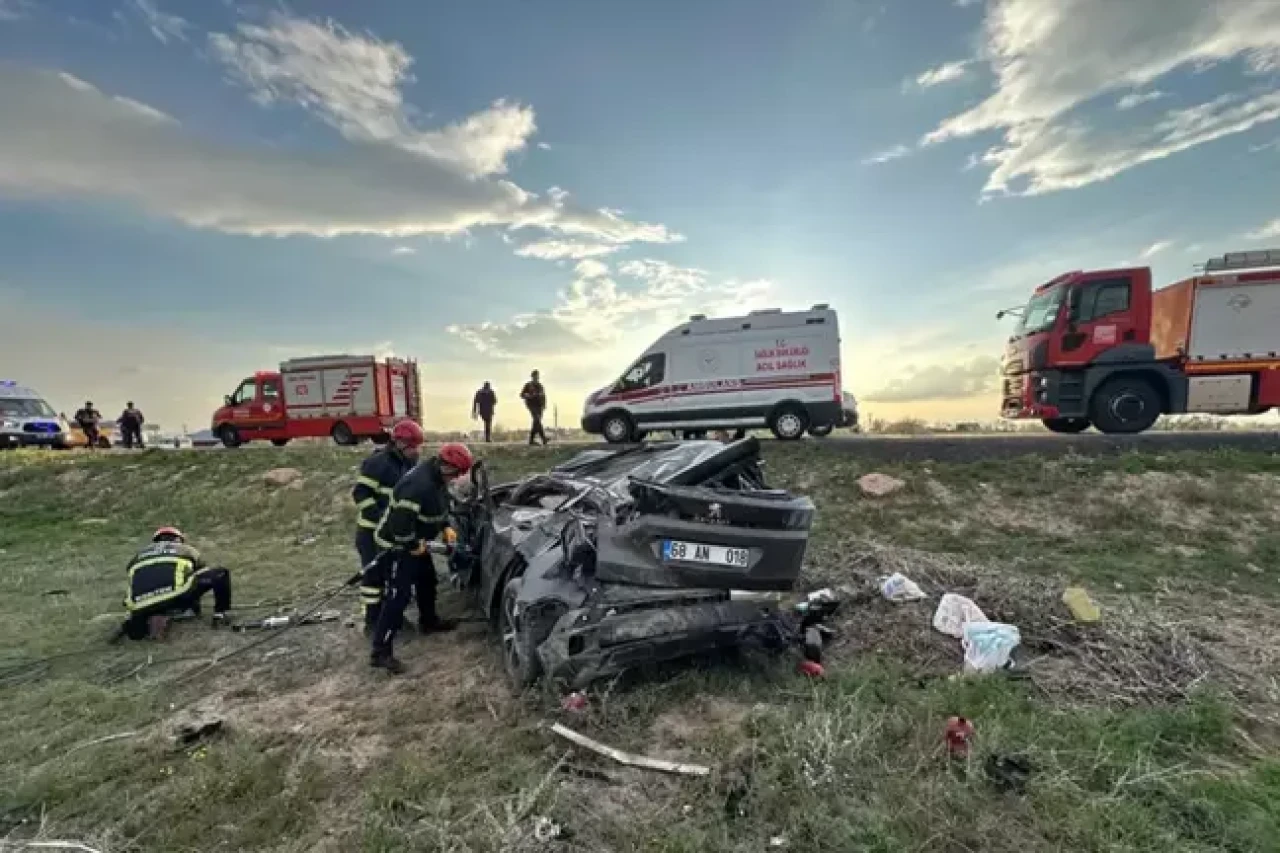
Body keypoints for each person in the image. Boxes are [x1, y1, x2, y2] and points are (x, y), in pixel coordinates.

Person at [369, 442, 473, 673]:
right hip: (395, 546)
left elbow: (440, 501)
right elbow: (400, 524)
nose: (455, 478)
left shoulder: (436, 477)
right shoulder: (417, 485)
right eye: (455, 473)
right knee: (399, 596)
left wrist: (445, 526)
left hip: (417, 542)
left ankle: (429, 621)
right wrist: (411, 544)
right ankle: (380, 651)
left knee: (427, 580)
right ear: (445, 465)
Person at [352, 419, 423, 633]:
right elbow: (360, 493)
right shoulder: (377, 463)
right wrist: (379, 517)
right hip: (370, 531)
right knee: (373, 578)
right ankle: (372, 621)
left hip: (391, 533)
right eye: (413, 447)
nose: (417, 451)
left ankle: (393, 618)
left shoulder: (409, 465)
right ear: (400, 444)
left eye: (418, 446)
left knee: (393, 576)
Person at [121, 527, 232, 640]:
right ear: (177, 539)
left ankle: (144, 619)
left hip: (140, 604)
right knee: (219, 573)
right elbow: (200, 569)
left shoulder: (137, 556)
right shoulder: (184, 549)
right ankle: (219, 614)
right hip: (175, 597)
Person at [520, 370, 548, 446]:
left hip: (540, 406)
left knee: (536, 423)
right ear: (532, 377)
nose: (536, 378)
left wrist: (544, 404)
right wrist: (528, 395)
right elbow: (522, 394)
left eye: (537, 376)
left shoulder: (540, 386)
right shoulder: (528, 385)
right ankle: (543, 438)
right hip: (532, 405)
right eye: (535, 376)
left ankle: (531, 440)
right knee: (537, 420)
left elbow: (543, 396)